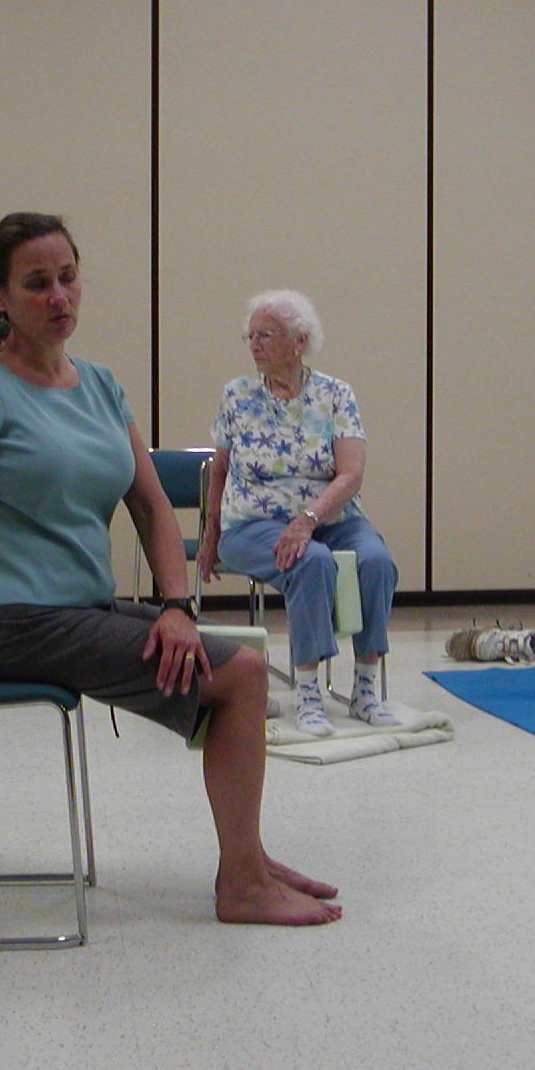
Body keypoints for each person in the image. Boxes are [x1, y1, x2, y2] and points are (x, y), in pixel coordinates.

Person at [0, 212, 340, 926]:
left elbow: (149, 505)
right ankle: (241, 881)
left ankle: (248, 858)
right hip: (17, 623)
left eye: (67, 277)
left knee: (234, 670)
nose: (58, 296)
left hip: (79, 609)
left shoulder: (100, 385)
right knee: (239, 678)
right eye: (35, 284)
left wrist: (178, 607)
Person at [197, 290, 400, 737]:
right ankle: (309, 694)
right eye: (250, 336)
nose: (254, 344)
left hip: (330, 518)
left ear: (299, 341)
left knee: (377, 562)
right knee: (309, 562)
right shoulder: (237, 394)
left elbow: (351, 473)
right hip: (251, 523)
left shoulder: (335, 395)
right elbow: (221, 469)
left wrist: (307, 518)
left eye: (265, 335)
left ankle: (365, 691)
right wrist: (210, 532)